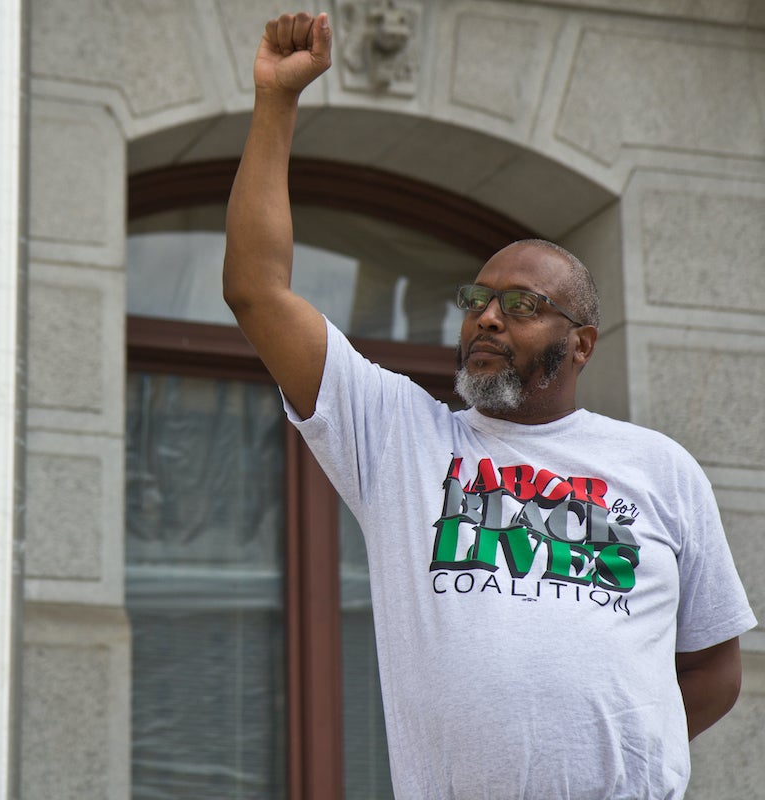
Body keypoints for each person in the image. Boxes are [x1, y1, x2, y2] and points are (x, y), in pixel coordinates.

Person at [223, 11, 757, 798]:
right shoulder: (403, 443)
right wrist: (276, 103)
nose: (487, 315)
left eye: (521, 302)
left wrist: (628, 754)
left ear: (580, 345)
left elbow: (714, 668)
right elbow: (256, 292)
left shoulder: (662, 469)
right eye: (478, 297)